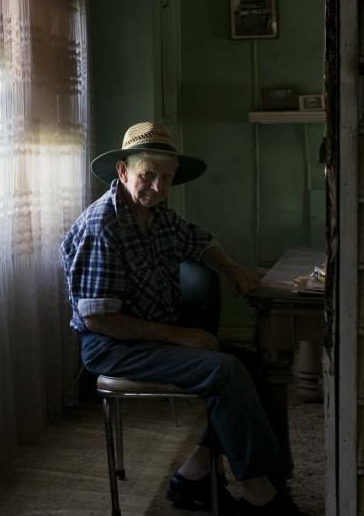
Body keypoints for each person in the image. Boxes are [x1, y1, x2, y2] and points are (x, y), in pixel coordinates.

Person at [61, 121, 307, 515]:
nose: (158, 187)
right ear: (122, 171)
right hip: (112, 346)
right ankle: (259, 493)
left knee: (253, 364)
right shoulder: (102, 227)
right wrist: (180, 336)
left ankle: (195, 474)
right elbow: (100, 321)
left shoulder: (156, 214)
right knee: (224, 370)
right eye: (148, 175)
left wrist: (232, 268)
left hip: (153, 337)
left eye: (167, 178)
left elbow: (199, 240)